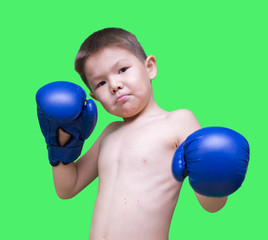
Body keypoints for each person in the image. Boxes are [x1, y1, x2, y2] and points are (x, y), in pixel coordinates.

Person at [36, 28, 249, 239]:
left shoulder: (177, 121)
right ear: (95, 97)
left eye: (122, 70)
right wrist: (61, 140)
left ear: (150, 68)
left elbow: (211, 205)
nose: (114, 85)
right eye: (101, 83)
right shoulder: (109, 134)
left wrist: (216, 176)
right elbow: (67, 188)